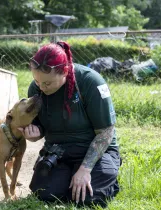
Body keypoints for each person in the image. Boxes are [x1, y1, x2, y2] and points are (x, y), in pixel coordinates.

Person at [17, 41, 121, 208]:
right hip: (59, 151)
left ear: (64, 71)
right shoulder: (36, 88)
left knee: (87, 199)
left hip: (93, 150)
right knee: (44, 193)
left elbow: (106, 132)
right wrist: (34, 134)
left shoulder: (90, 82)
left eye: (47, 83)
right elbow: (40, 126)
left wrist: (85, 169)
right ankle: (73, 176)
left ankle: (104, 178)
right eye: (37, 81)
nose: (42, 88)